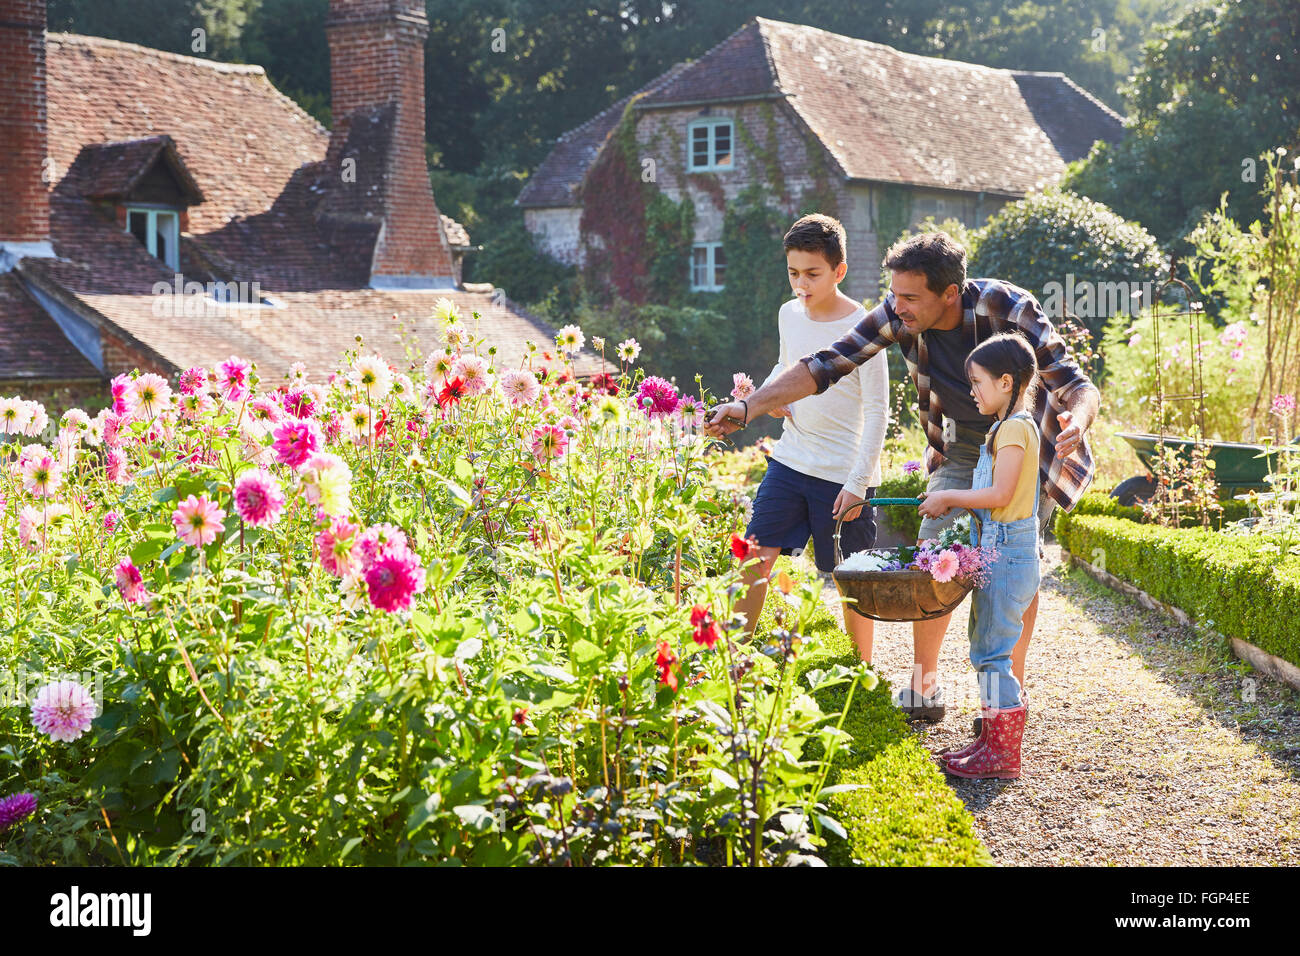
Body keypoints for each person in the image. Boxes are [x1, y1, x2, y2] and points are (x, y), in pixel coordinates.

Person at [704, 231, 1100, 721]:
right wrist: (747, 407)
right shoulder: (897, 315)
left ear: (949, 294)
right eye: (894, 294)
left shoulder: (1008, 307)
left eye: (910, 297)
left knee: (1012, 563)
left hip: (1021, 444)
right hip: (958, 447)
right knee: (933, 557)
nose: (898, 307)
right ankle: (924, 687)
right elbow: (824, 365)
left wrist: (1076, 423)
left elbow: (1076, 383)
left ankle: (1004, 703)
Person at [732, 214, 889, 662]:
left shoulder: (866, 326)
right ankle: (733, 662)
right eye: (793, 272)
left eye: (812, 274)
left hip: (843, 475)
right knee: (753, 556)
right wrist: (762, 398)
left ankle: (863, 674)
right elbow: (785, 368)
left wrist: (859, 483)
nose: (801, 283)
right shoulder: (788, 313)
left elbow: (879, 411)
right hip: (790, 459)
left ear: (839, 271)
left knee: (849, 577)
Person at [916, 332, 1040, 778]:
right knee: (985, 648)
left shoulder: (1014, 429)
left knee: (992, 654)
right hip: (999, 550)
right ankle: (989, 742)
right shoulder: (1004, 428)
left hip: (1007, 552)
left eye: (978, 382)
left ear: (1006, 382)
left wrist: (949, 495)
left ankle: (1003, 756)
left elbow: (1001, 493)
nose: (971, 391)